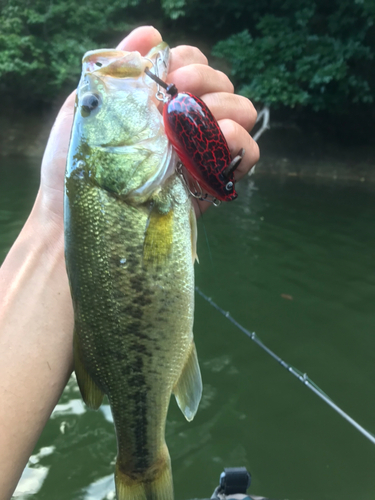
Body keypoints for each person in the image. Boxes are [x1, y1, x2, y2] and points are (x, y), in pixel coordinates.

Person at [0, 26, 259, 500]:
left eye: (89, 103)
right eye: (91, 107)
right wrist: (54, 223)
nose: (95, 88)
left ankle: (139, 462)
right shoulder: (121, 190)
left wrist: (54, 229)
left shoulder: (133, 189)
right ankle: (141, 465)